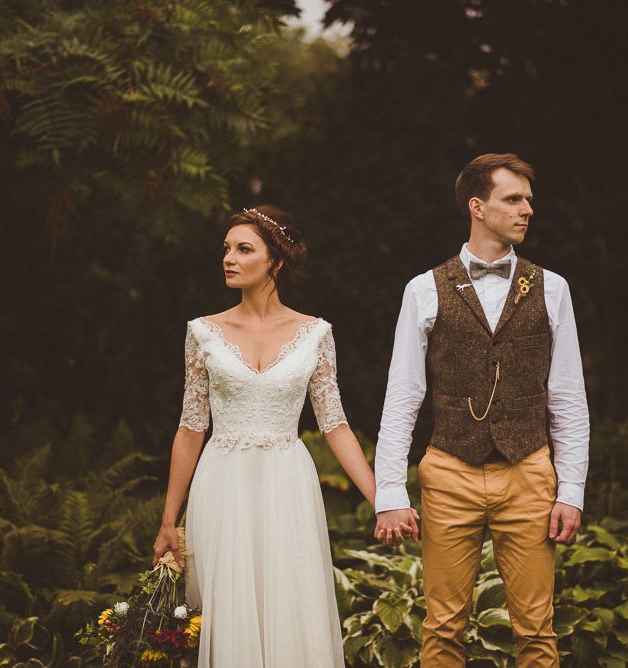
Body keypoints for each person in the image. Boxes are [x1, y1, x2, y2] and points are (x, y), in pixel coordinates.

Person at [374, 153, 589, 667]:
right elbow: (404, 394)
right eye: (513, 199)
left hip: (529, 471)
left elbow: (568, 398)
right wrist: (389, 491)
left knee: (537, 630)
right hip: (449, 470)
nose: (527, 210)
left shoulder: (552, 288)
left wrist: (572, 489)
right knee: (443, 627)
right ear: (477, 206)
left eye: (529, 200)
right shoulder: (424, 289)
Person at [152, 206, 375, 668]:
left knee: (290, 600)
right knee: (225, 607)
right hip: (221, 484)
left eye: (243, 249)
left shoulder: (315, 334)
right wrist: (169, 520)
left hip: (286, 484)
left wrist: (382, 498)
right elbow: (191, 427)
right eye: (227, 249)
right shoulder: (203, 333)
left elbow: (335, 424)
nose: (228, 258)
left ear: (275, 262)